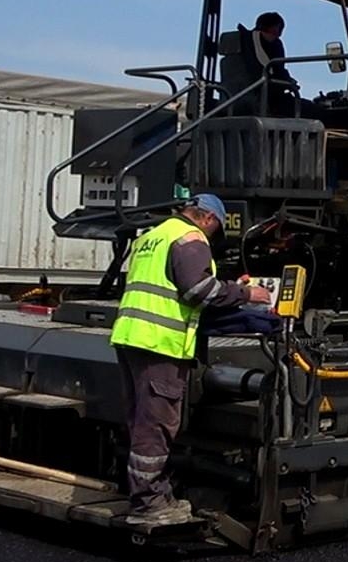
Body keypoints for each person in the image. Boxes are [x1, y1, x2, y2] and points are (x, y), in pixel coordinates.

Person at [108, 194, 269, 526]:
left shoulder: (153, 236)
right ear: (208, 219)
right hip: (160, 344)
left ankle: (151, 492)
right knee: (156, 424)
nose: (213, 237)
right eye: (217, 231)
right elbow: (199, 291)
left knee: (140, 421)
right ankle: (149, 504)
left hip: (132, 338)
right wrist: (246, 294)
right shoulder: (191, 238)